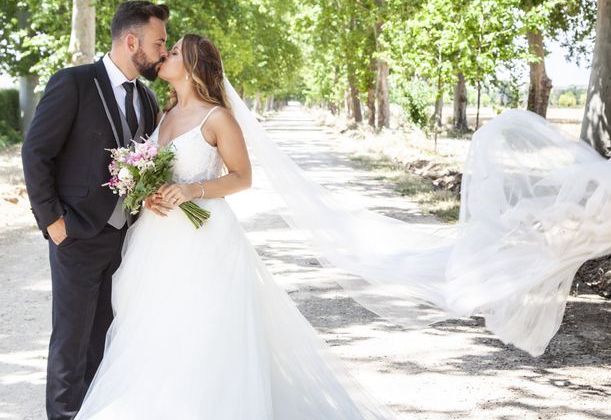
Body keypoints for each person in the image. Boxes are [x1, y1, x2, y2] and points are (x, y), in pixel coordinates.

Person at [73, 33, 394, 419]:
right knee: (156, 329)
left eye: (173, 52)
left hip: (205, 240)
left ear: (191, 67)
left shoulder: (217, 117)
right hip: (157, 240)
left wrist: (194, 189)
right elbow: (157, 173)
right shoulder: (164, 114)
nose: (165, 56)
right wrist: (151, 192)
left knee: (201, 330)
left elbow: (242, 177)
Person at [21, 0, 169, 420]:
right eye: (159, 43)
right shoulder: (74, 82)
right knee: (70, 338)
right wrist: (53, 223)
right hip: (76, 233)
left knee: (105, 337)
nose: (163, 51)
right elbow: (36, 153)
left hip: (126, 238)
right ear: (130, 40)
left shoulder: (146, 96)